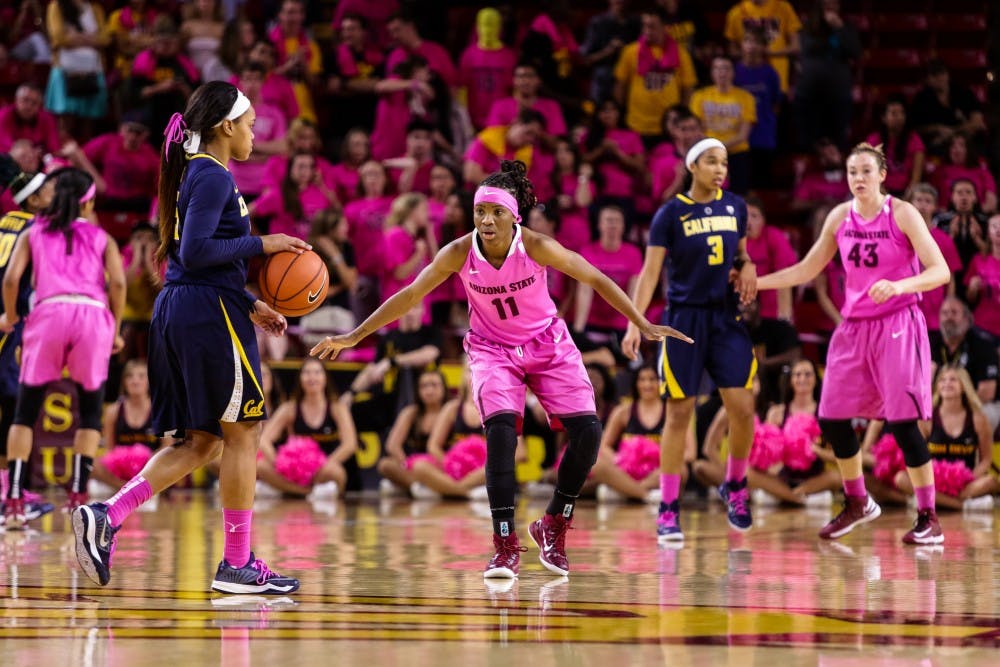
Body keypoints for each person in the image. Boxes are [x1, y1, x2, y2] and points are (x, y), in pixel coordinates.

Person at [311, 160, 689, 579]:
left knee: (589, 434)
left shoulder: (537, 246)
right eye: (480, 212)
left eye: (496, 213)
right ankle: (505, 543)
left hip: (547, 343)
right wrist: (355, 336)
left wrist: (641, 321)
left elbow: (597, 278)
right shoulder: (458, 252)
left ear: (515, 216)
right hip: (493, 350)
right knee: (502, 434)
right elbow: (410, 294)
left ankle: (553, 525)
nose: (487, 221)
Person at [70, 81, 308, 593]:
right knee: (245, 431)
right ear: (225, 126)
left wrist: (250, 302)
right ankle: (236, 564)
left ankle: (106, 515)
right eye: (247, 125)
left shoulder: (200, 174)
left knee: (203, 442)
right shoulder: (213, 175)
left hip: (195, 306)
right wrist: (265, 243)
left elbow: (189, 260)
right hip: (204, 314)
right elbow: (197, 252)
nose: (252, 135)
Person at [757, 142, 950, 545]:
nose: (858, 179)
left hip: (898, 322)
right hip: (854, 327)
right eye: (851, 172)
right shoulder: (839, 217)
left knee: (901, 423)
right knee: (831, 418)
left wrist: (899, 285)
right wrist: (755, 283)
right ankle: (857, 501)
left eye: (865, 171)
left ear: (882, 176)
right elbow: (809, 268)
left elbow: (940, 272)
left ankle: (929, 516)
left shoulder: (902, 213)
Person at [622, 138, 759, 543]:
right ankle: (668, 507)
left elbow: (741, 257)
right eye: (712, 162)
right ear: (693, 166)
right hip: (683, 319)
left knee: (743, 405)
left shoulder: (736, 206)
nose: (720, 169)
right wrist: (635, 321)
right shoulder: (670, 214)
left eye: (725, 163)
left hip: (724, 317)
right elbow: (649, 274)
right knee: (679, 412)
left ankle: (735, 484)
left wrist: (748, 265)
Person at [0, 168, 125, 524]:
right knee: (89, 412)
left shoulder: (34, 232)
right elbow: (117, 283)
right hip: (91, 314)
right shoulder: (102, 237)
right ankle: (78, 497)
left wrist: (10, 316)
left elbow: (11, 279)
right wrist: (114, 330)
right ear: (89, 202)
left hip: (49, 311)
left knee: (25, 414)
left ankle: (13, 500)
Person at [0, 170, 54, 524]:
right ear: (33, 200)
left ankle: (8, 488)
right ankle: (11, 495)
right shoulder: (35, 230)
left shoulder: (4, 223)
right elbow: (15, 279)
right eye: (48, 190)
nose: (54, 194)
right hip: (10, 323)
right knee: (14, 406)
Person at [255, 357, 358, 499]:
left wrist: (326, 464)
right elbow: (264, 440)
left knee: (337, 472)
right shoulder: (290, 408)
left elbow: (350, 444)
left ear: (325, 378)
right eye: (307, 373)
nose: (312, 378)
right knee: (261, 466)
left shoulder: (337, 408)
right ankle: (306, 493)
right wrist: (279, 463)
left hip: (323, 469)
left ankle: (288, 490)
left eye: (317, 372)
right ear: (300, 379)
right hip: (294, 471)